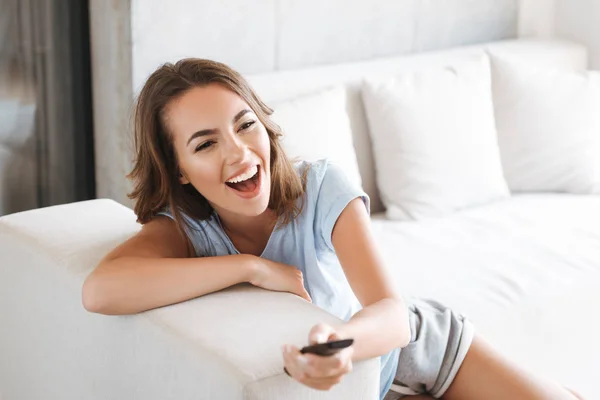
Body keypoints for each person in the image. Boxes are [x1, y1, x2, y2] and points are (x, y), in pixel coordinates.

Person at [82, 58, 583, 400]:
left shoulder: (320, 187)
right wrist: (251, 267)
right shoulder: (187, 228)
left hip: (417, 353)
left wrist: (339, 345)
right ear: (180, 170)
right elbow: (101, 289)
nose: (237, 151)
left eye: (245, 124)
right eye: (205, 143)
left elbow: (393, 315)